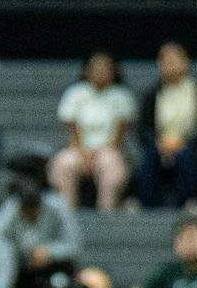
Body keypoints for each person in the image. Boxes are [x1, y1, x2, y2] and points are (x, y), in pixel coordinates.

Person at [136, 42, 197, 207]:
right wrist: (160, 143)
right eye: (165, 60)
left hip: (195, 149)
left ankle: (190, 201)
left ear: (186, 61)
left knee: (186, 156)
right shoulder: (150, 95)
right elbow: (143, 131)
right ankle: (148, 203)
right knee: (151, 156)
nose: (170, 64)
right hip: (160, 148)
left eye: (174, 59)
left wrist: (185, 143)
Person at [49, 51, 135, 211]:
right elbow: (72, 128)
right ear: (87, 70)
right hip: (78, 149)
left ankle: (106, 215)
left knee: (109, 163)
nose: (101, 71)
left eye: (105, 67)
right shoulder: (75, 93)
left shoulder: (122, 96)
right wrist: (82, 152)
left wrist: (98, 154)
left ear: (113, 71)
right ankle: (67, 215)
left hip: (110, 149)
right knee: (64, 163)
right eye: (96, 67)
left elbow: (121, 133)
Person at [0, 167, 80, 288]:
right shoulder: (5, 218)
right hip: (22, 267)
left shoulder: (59, 207)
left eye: (35, 210)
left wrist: (50, 252)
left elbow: (74, 245)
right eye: (27, 212)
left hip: (56, 266)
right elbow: (2, 255)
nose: (32, 215)